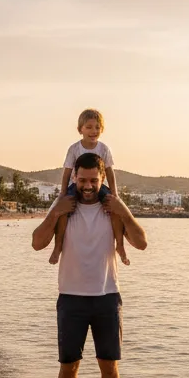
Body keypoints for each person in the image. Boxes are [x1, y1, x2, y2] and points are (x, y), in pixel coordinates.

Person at [31, 152, 147, 378]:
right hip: (70, 298)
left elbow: (141, 243)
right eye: (81, 179)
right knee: (69, 366)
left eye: (93, 180)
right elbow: (37, 243)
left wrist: (123, 209)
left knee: (109, 367)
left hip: (107, 297)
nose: (87, 185)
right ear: (74, 177)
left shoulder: (113, 208)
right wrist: (57, 210)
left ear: (102, 178)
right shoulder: (64, 206)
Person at [49, 109, 128, 266]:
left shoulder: (104, 149)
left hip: (98, 186)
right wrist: (63, 193)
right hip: (76, 185)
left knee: (115, 210)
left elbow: (109, 172)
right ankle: (58, 247)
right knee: (64, 211)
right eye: (89, 127)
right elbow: (66, 172)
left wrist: (115, 194)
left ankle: (120, 245)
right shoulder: (74, 149)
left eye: (97, 127)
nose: (94, 131)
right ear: (80, 129)